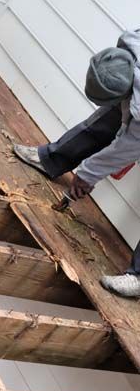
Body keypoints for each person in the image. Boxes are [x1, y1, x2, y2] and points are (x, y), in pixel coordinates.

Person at [13, 28, 140, 297]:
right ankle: (52, 159)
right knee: (112, 115)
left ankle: (138, 277)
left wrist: (87, 175)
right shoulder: (132, 45)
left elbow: (127, 146)